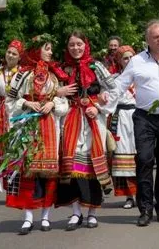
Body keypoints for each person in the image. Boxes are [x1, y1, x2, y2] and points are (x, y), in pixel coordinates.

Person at [110, 20, 159, 226]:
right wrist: (105, 98)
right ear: (148, 40)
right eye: (156, 37)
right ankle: (145, 209)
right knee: (145, 161)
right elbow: (121, 84)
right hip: (144, 117)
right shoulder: (137, 61)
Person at [5, 34, 68, 234]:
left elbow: (64, 104)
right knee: (28, 171)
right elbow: (9, 101)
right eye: (46, 48)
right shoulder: (22, 75)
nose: (50, 52)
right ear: (36, 49)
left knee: (49, 173)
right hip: (28, 124)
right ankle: (28, 216)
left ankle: (46, 216)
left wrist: (52, 103)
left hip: (49, 125)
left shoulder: (54, 75)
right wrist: (25, 102)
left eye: (51, 49)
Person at [55, 31, 117, 230]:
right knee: (71, 164)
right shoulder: (62, 68)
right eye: (72, 45)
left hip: (92, 119)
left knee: (92, 165)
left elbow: (114, 89)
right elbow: (50, 92)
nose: (76, 48)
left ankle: (92, 212)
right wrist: (59, 92)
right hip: (70, 118)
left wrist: (98, 106)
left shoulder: (96, 66)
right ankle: (76, 212)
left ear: (85, 45)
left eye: (79, 44)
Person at [108, 45, 138, 209]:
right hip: (120, 118)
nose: (128, 60)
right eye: (125, 58)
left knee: (140, 155)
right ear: (119, 61)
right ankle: (129, 196)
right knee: (121, 156)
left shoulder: (141, 77)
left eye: (131, 57)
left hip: (137, 117)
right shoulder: (114, 79)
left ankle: (142, 193)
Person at [0, 40, 24, 168]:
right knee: (4, 144)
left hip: (18, 112)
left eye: (14, 54)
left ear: (20, 57)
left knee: (17, 144)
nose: (10, 55)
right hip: (2, 113)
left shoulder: (24, 72)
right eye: (9, 52)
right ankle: (6, 181)